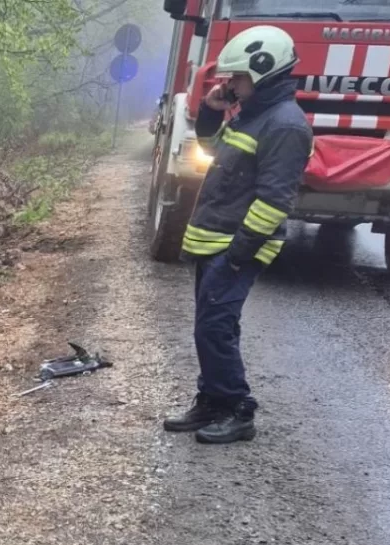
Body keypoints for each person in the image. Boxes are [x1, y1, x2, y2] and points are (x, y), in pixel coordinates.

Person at [163, 25, 313, 444]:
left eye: (237, 78)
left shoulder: (285, 126)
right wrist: (212, 111)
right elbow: (214, 150)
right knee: (213, 326)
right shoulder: (252, 114)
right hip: (218, 239)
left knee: (214, 327)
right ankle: (212, 400)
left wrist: (238, 254)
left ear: (264, 72)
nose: (230, 84)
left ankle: (237, 408)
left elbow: (275, 200)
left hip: (235, 246)